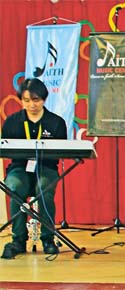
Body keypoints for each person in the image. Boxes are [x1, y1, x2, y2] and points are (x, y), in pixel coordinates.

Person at [1, 78, 66, 259]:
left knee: (43, 189)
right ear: (21, 100)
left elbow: (62, 151)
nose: (31, 105)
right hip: (19, 168)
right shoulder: (12, 122)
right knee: (14, 188)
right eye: (26, 100)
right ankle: (18, 240)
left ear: (44, 99)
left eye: (36, 100)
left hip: (46, 168)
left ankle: (47, 239)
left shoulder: (56, 122)